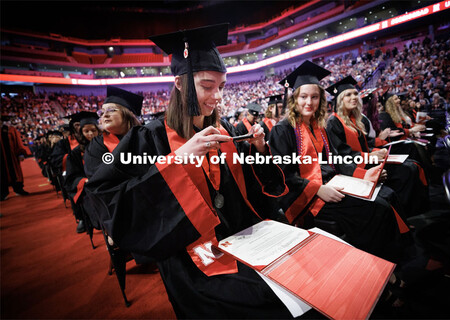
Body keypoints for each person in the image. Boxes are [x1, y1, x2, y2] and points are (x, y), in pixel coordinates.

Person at [85, 23, 298, 319]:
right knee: (267, 301)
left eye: (222, 87)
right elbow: (102, 198)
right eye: (208, 86)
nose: (218, 97)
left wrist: (260, 151)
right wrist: (177, 160)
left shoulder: (228, 132)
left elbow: (252, 190)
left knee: (298, 280)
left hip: (244, 238)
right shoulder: (148, 139)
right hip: (192, 252)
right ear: (180, 84)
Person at [269, 60, 409, 261]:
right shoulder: (282, 130)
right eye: (303, 97)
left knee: (386, 194)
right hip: (304, 195)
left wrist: (363, 174)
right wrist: (316, 189)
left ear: (321, 99)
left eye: (315, 97)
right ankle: (384, 267)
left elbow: (336, 159)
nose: (309, 102)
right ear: (294, 99)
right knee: (376, 208)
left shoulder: (319, 126)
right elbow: (283, 174)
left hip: (331, 183)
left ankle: (400, 255)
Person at [326, 77, 429, 218]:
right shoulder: (334, 122)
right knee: (406, 170)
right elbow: (343, 156)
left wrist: (377, 152)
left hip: (366, 161)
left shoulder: (354, 119)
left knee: (410, 165)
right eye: (348, 95)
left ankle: (411, 213)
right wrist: (370, 156)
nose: (354, 97)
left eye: (355, 94)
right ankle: (408, 216)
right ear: (340, 99)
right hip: (354, 167)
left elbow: (366, 146)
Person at [83, 86, 143, 178]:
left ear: (128, 114)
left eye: (111, 110)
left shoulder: (146, 138)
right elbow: (98, 181)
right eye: (101, 113)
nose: (105, 115)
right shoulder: (96, 145)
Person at [64, 112, 101, 233]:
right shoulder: (75, 153)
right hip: (89, 187)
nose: (90, 134)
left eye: (93, 130)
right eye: (86, 131)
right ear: (81, 133)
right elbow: (71, 178)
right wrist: (85, 181)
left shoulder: (105, 146)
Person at [0, 115, 29, 200]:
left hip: (11, 157)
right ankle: (2, 193)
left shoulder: (11, 130)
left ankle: (18, 189)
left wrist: (21, 153)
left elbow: (18, 142)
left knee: (15, 173)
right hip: (1, 159)